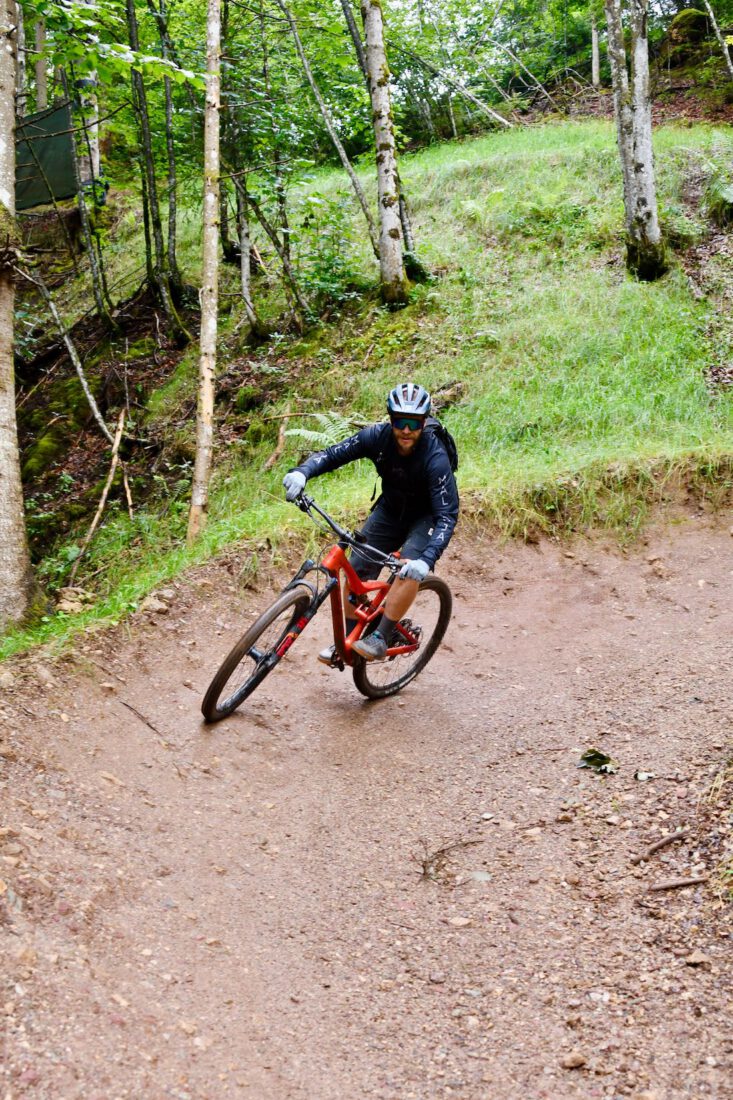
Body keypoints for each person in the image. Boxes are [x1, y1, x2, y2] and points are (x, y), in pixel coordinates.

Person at [282, 382, 459, 663]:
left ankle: (380, 636)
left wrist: (425, 560)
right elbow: (332, 455)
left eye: (414, 423)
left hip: (427, 517)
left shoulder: (434, 457)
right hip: (391, 510)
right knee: (356, 568)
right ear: (390, 419)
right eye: (400, 421)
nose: (406, 430)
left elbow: (447, 515)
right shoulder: (375, 437)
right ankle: (350, 642)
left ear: (424, 423)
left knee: (407, 569)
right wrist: (303, 473)